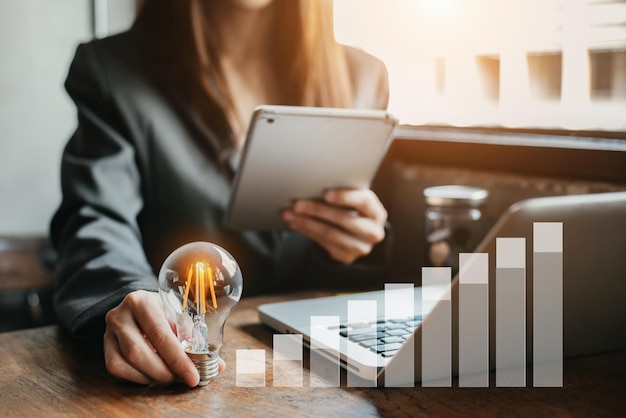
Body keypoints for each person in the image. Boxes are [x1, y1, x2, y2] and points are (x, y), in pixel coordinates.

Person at [51, 0, 391, 388]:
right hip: (176, 368)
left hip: (318, 368)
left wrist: (360, 239)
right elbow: (95, 219)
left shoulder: (364, 77)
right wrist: (128, 294)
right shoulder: (113, 70)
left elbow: (354, 226)